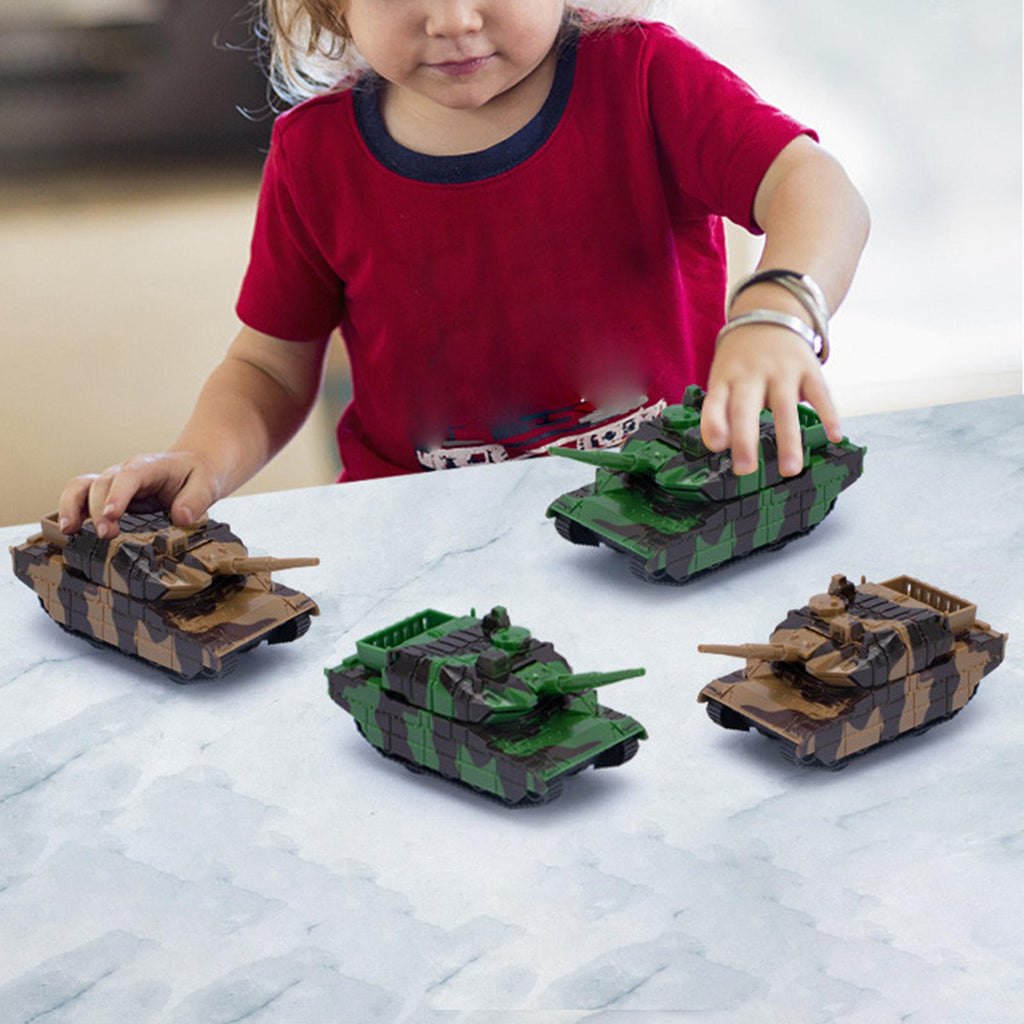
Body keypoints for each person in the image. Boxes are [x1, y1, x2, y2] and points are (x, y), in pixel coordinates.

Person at [58, 0, 869, 539]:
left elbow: (817, 188)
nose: (452, 19)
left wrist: (778, 310)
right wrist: (203, 457)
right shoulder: (314, 157)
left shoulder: (645, 76)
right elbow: (269, 366)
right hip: (421, 537)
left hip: (668, 504)